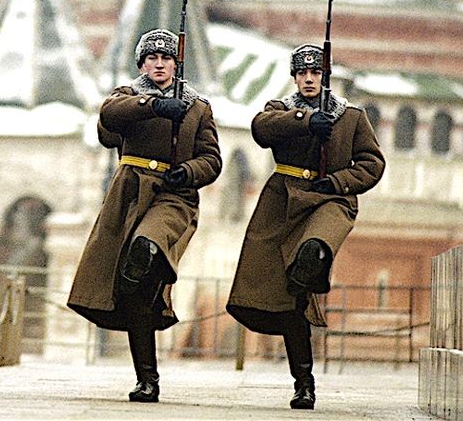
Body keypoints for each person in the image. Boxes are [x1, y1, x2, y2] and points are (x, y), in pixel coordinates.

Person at [226, 43, 385, 410]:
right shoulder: (282, 110)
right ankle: (304, 383)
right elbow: (260, 129)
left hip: (330, 200)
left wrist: (339, 181)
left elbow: (373, 164)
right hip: (284, 201)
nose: (309, 79)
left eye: (316, 73)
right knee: (290, 305)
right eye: (303, 74)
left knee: (313, 250)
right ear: (295, 78)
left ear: (325, 77)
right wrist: (304, 121)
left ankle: (311, 271)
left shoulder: (351, 117)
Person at [68, 28, 222, 403]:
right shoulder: (128, 97)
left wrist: (189, 172)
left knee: (146, 244)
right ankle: (147, 378)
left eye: (166, 58)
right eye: (151, 58)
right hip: (130, 194)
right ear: (142, 64)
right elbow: (108, 119)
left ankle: (147, 270)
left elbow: (212, 159)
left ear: (175, 64)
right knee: (137, 295)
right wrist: (152, 105)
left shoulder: (197, 107)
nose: (159, 64)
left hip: (173, 196)